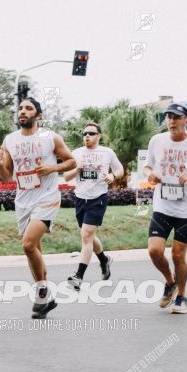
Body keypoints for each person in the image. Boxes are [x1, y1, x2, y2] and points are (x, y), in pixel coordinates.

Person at [0, 97, 76, 317]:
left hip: (47, 197)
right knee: (35, 250)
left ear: (38, 115)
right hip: (23, 200)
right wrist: (1, 163)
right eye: (20, 108)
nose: (23, 111)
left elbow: (71, 161)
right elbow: (6, 177)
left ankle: (42, 291)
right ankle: (44, 300)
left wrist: (51, 168)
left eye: (28, 108)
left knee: (28, 245)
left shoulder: (50, 137)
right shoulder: (10, 140)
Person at [143, 102, 187, 314]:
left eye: (176, 117)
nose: (171, 121)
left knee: (178, 255)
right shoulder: (157, 140)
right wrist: (150, 175)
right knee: (154, 251)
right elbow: (146, 166)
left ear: (186, 121)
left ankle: (181, 296)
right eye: (168, 117)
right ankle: (170, 282)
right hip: (162, 205)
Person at [63, 122, 124, 289]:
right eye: (84, 134)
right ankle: (104, 260)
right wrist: (77, 169)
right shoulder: (76, 153)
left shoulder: (107, 152)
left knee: (86, 235)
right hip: (80, 198)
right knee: (88, 236)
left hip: (98, 198)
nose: (87, 136)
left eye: (91, 133)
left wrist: (112, 176)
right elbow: (66, 177)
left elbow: (120, 170)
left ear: (99, 136)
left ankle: (78, 276)